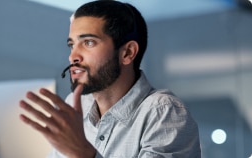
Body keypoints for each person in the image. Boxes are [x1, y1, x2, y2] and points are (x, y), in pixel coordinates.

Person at [19, 0, 201, 157]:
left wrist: (83, 153)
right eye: (71, 44)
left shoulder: (162, 112)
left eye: (88, 42)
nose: (73, 56)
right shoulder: (77, 106)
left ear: (127, 53)